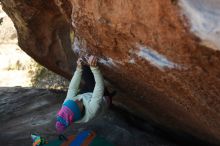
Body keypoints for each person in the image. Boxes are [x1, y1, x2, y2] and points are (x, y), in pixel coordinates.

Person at [56, 55, 114, 134]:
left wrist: (79, 69)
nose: (76, 100)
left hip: (87, 96)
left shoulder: (67, 107)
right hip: (103, 98)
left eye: (72, 101)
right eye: (75, 103)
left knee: (84, 70)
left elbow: (72, 89)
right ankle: (110, 96)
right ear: (79, 111)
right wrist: (94, 68)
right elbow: (99, 86)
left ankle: (85, 68)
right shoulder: (91, 111)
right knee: (88, 71)